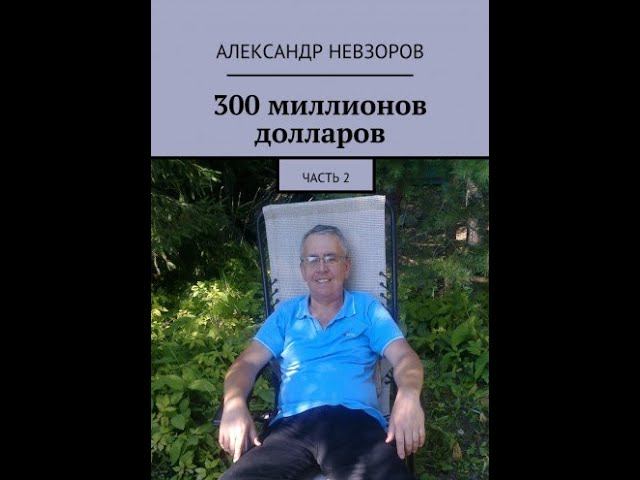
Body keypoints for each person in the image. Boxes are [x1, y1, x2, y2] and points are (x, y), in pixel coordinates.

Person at [218, 225, 425, 480]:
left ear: (346, 266)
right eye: (313, 259)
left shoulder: (367, 309)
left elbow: (405, 357)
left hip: (354, 424)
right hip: (291, 428)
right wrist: (234, 404)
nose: (322, 268)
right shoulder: (286, 315)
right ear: (303, 270)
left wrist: (408, 394)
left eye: (331, 258)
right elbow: (246, 364)